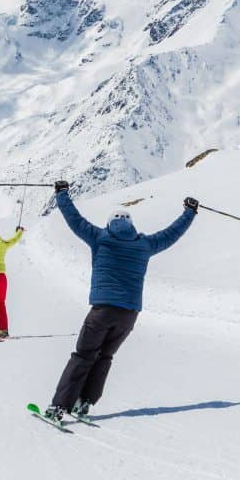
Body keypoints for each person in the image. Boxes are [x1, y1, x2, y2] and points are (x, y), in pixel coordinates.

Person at [44, 181, 198, 422]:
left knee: (83, 356)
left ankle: (58, 407)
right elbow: (171, 234)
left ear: (109, 224)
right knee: (104, 357)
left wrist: (62, 194)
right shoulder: (145, 244)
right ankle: (84, 403)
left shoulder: (100, 238)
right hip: (128, 316)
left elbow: (74, 219)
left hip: (102, 311)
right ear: (131, 226)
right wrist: (190, 212)